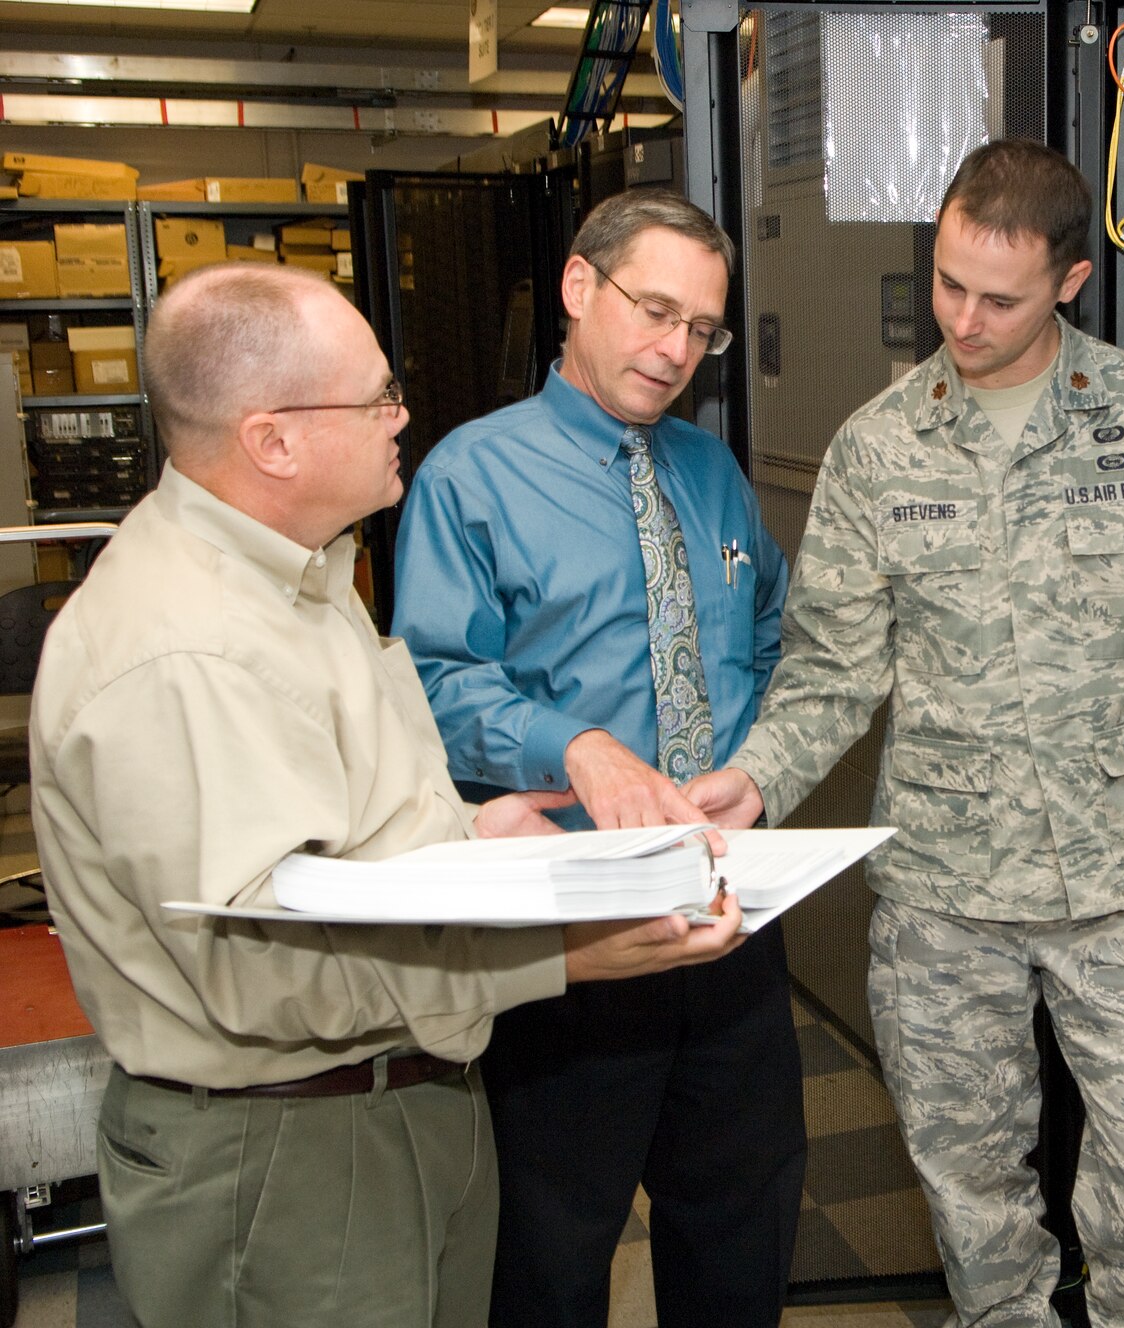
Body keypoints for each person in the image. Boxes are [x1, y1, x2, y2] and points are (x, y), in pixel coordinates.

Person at [27, 262, 746, 1328]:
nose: (401, 416)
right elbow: (259, 971)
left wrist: (472, 828)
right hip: (286, 1155)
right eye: (376, 397)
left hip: (394, 1104)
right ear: (273, 441)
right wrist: (564, 955)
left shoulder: (299, 579)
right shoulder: (181, 650)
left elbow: (337, 829)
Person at [688, 140, 1124, 1327]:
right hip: (944, 896)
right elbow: (832, 668)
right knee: (977, 1217)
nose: (962, 318)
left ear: (1070, 281)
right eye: (948, 283)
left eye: (998, 297)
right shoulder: (878, 445)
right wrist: (753, 779)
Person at [391, 188, 802, 1328]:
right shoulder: (471, 478)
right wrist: (575, 748)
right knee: (548, 1260)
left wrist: (760, 757)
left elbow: (773, 631)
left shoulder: (712, 472)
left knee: (742, 1234)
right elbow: (433, 683)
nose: (676, 350)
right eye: (655, 311)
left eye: (701, 328)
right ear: (579, 287)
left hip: (726, 923)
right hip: (568, 937)